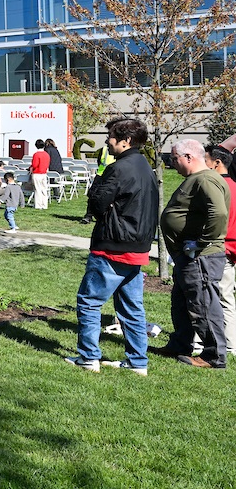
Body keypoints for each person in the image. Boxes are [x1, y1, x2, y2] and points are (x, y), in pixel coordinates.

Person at [65, 116, 159, 375]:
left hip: (112, 246)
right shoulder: (145, 167)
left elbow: (96, 204)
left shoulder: (118, 168)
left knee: (89, 301)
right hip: (138, 247)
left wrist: (99, 176)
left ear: (125, 141)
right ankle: (138, 361)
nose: (107, 142)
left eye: (111, 137)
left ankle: (88, 357)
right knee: (132, 308)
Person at [152, 138, 229, 368]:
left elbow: (219, 214)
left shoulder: (205, 179)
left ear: (188, 157)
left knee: (203, 303)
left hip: (201, 257)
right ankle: (180, 344)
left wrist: (200, 243)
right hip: (189, 257)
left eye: (174, 158)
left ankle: (213, 355)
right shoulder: (197, 179)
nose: (172, 162)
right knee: (182, 303)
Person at [204, 145, 236, 358]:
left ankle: (225, 344)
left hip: (220, 249)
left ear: (217, 163)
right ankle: (231, 344)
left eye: (206, 159)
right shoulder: (234, 186)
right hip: (231, 250)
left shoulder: (215, 187)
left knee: (214, 297)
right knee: (226, 297)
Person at [30, 139, 51, 209]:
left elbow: (35, 165)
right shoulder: (47, 154)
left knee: (38, 189)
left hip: (37, 173)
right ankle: (44, 205)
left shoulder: (36, 154)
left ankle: (38, 205)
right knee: (44, 189)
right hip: (44, 173)